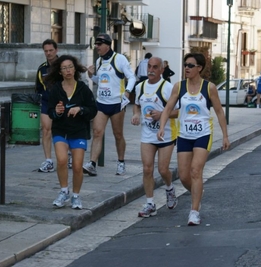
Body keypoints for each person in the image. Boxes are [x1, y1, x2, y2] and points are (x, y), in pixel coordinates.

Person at [157, 52, 230, 226]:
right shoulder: (179, 87)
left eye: (190, 65)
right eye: (185, 65)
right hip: (184, 135)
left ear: (199, 68)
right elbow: (168, 109)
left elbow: (219, 111)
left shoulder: (209, 87)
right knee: (183, 176)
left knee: (196, 171)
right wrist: (161, 126)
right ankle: (198, 192)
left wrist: (225, 136)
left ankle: (194, 211)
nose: (186, 68)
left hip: (203, 134)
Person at [47, 55, 98, 209]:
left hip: (78, 131)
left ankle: (76, 195)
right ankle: (63, 191)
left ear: (75, 69)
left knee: (77, 166)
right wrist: (57, 111)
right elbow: (50, 112)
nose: (68, 70)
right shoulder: (55, 89)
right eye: (64, 68)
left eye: (70, 67)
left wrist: (80, 109)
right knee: (61, 160)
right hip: (60, 130)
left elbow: (93, 110)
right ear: (60, 72)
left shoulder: (83, 88)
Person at [131, 57, 179, 218]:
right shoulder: (140, 87)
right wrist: (136, 114)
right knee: (147, 168)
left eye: (155, 67)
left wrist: (163, 114)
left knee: (163, 169)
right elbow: (137, 104)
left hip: (166, 134)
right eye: (149, 67)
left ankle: (170, 188)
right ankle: (150, 203)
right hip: (147, 134)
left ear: (161, 70)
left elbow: (179, 111)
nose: (151, 70)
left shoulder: (168, 88)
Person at [84, 33, 136, 176]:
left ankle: (121, 162)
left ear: (107, 45)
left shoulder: (119, 59)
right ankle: (92, 164)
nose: (96, 47)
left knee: (118, 134)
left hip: (117, 103)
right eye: (95, 44)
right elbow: (99, 81)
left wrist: (127, 92)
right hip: (101, 102)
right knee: (97, 132)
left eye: (99, 44)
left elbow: (131, 77)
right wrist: (90, 75)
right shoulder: (99, 61)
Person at [36, 39, 72, 172]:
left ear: (56, 50)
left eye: (51, 50)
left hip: (63, 101)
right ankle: (48, 161)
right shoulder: (42, 69)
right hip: (47, 102)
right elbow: (39, 88)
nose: (48, 53)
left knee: (65, 129)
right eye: (46, 51)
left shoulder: (64, 65)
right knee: (46, 129)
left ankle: (68, 155)